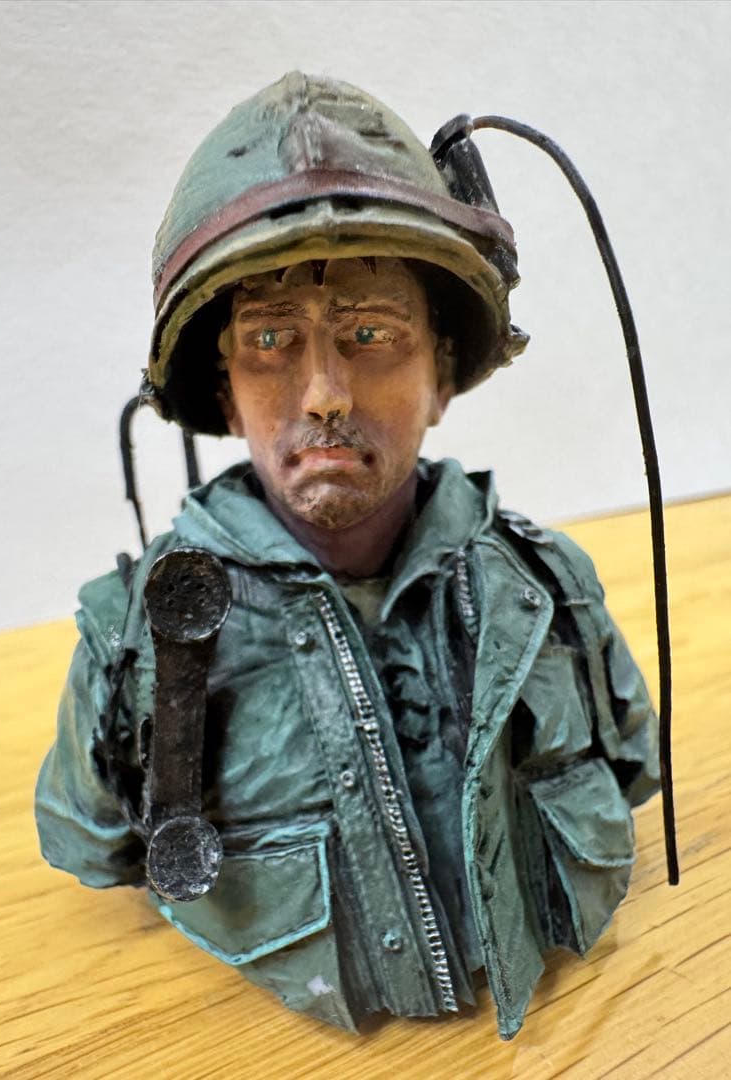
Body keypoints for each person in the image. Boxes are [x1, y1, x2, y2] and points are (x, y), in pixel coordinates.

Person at [35, 73, 659, 1040]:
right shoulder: (133, 645)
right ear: (226, 392)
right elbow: (91, 841)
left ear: (441, 375)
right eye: (270, 340)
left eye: (371, 335)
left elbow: (629, 768)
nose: (324, 392)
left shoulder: (546, 592)